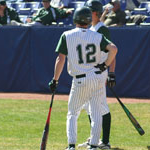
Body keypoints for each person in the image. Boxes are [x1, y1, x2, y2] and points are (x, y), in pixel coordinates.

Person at [48, 6, 117, 150]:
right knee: (96, 113)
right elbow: (114, 49)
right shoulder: (97, 35)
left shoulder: (67, 35)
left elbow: (60, 59)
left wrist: (55, 80)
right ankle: (93, 145)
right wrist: (105, 65)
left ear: (76, 19)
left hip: (80, 79)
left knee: (73, 113)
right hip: (97, 77)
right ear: (88, 20)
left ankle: (71, 145)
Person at [78, 0, 116, 149]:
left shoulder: (102, 30)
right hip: (89, 73)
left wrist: (111, 72)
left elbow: (112, 52)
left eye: (89, 11)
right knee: (89, 107)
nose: (86, 14)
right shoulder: (93, 27)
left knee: (101, 107)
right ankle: (95, 138)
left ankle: (105, 142)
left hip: (98, 72)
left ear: (95, 12)